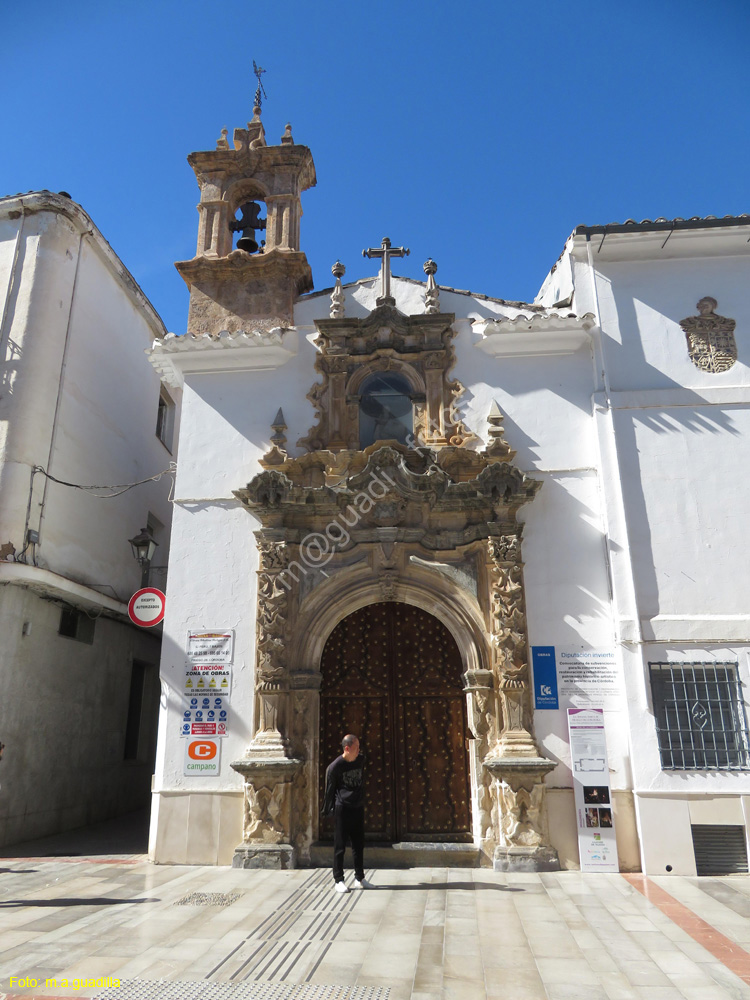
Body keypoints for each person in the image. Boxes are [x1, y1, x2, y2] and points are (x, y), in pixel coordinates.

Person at [323, 733, 371, 893]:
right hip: (342, 808)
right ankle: (338, 880)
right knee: (340, 846)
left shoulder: (361, 760)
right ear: (347, 748)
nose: (359, 750)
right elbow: (330, 789)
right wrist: (327, 808)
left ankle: (360, 878)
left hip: (357, 807)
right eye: (356, 748)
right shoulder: (335, 767)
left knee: (359, 844)